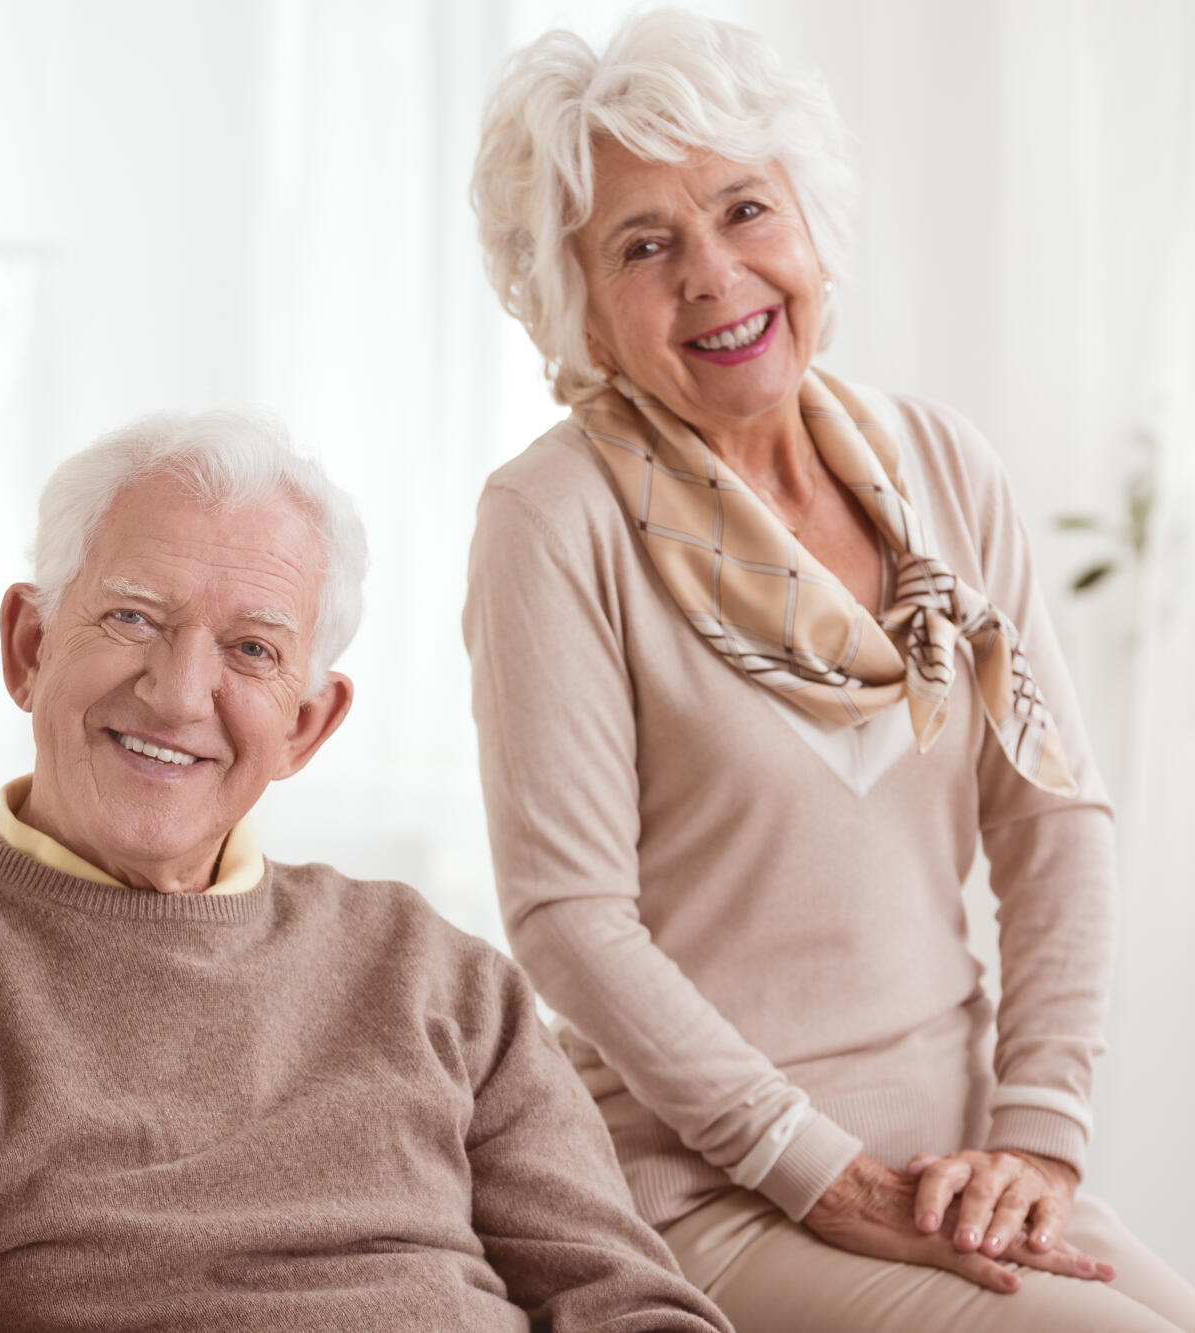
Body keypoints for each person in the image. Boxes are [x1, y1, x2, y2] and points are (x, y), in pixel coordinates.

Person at [462, 10, 1195, 1332]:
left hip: (959, 1167)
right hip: (710, 1192)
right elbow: (572, 917)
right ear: (574, 307)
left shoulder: (942, 466)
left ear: (811, 216)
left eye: (745, 209)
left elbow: (1056, 819)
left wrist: (1036, 1139)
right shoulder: (552, 517)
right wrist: (815, 1168)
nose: (713, 275)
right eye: (643, 245)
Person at [0, 411, 729, 1333]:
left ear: (305, 724)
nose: (178, 692)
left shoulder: (435, 974)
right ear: (28, 647)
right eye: (132, 618)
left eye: (248, 649)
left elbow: (629, 1303)